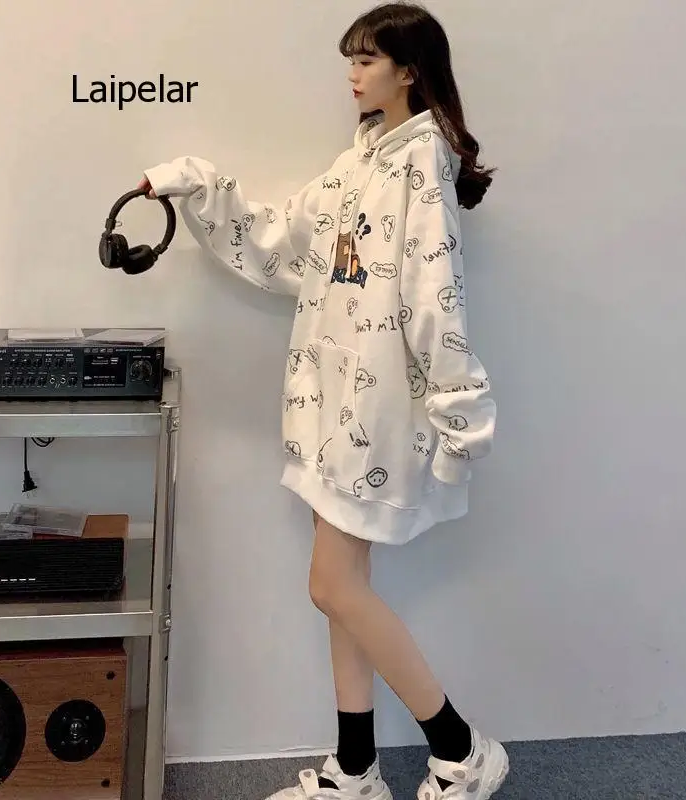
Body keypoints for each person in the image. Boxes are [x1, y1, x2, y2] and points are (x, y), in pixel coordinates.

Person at [139, 3, 508, 799]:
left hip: (377, 418)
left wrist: (459, 411)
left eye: (367, 60)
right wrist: (191, 186)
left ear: (408, 71)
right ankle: (355, 770)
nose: (352, 73)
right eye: (351, 59)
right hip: (330, 409)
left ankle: (462, 748)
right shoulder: (358, 163)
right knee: (344, 593)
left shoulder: (421, 165)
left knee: (332, 587)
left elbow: (435, 297)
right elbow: (282, 243)